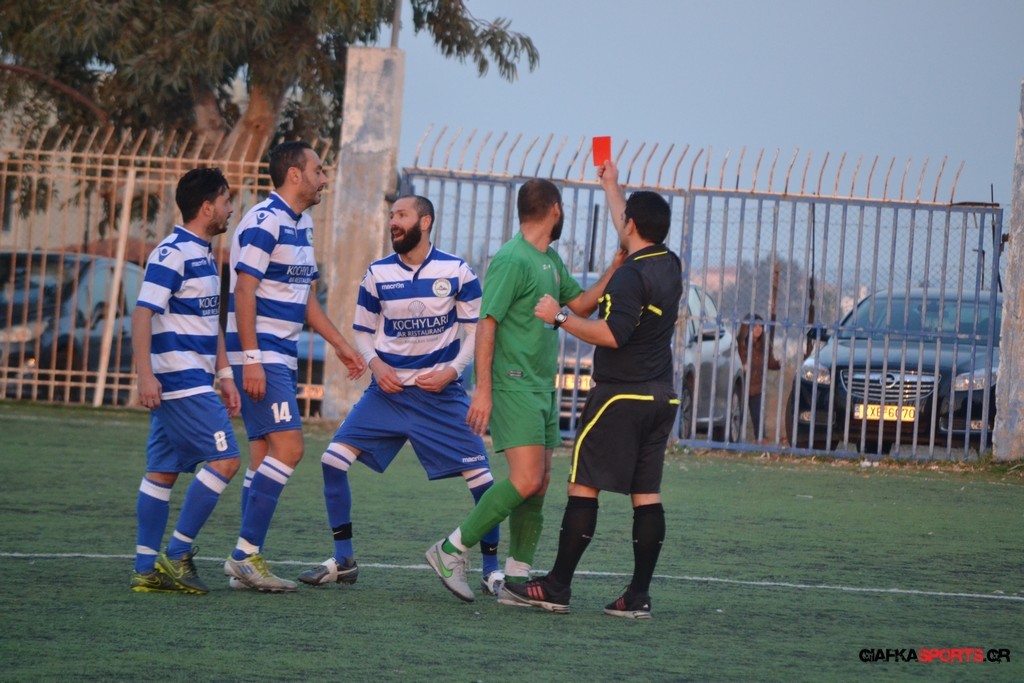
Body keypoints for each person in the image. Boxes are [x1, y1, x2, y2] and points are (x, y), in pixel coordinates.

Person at [499, 159, 682, 619]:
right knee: (647, 495)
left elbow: (612, 334)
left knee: (583, 486)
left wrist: (560, 317)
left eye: (624, 219)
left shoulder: (630, 276)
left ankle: (557, 586)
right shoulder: (669, 264)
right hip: (662, 395)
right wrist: (612, 185)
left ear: (631, 225)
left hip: (620, 396)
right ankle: (637, 596)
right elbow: (632, 227)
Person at [297, 195, 504, 597]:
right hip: (387, 395)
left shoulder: (456, 270)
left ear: (425, 222)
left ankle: (491, 570)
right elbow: (363, 329)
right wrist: (375, 364)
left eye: (402, 215)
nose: (393, 221)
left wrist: (451, 371)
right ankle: (343, 560)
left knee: (483, 480)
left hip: (441, 397)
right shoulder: (377, 274)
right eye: (392, 215)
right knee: (332, 461)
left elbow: (476, 331)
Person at [426, 178, 622, 603]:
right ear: (554, 210)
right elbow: (486, 323)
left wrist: (615, 267)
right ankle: (451, 549)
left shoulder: (549, 258)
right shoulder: (512, 259)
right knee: (526, 478)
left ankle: (516, 580)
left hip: (541, 387)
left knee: (540, 482)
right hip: (513, 384)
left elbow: (582, 305)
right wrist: (483, 391)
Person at [223, 140, 365, 592]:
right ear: (295, 175)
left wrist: (341, 345)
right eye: (318, 170)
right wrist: (251, 359)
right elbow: (244, 291)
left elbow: (305, 300)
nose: (324, 179)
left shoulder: (301, 224)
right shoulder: (264, 221)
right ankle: (244, 556)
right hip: (261, 352)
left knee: (264, 455)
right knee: (290, 449)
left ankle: (247, 563)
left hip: (279, 352)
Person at [129, 167, 241, 594]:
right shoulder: (172, 252)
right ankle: (177, 553)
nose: (231, 209)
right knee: (226, 460)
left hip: (194, 377)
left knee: (162, 472)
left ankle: (145, 568)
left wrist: (225, 375)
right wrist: (145, 376)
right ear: (207, 207)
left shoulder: (204, 254)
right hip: (179, 379)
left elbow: (209, 323)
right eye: (227, 201)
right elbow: (143, 313)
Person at [737, 313, 781, 442]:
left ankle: (761, 441)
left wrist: (778, 364)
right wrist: (742, 365)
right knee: (737, 415)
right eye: (755, 326)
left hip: (756, 387)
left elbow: (769, 362)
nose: (758, 329)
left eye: (760, 326)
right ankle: (733, 441)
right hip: (741, 386)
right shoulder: (740, 344)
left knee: (758, 417)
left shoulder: (764, 345)